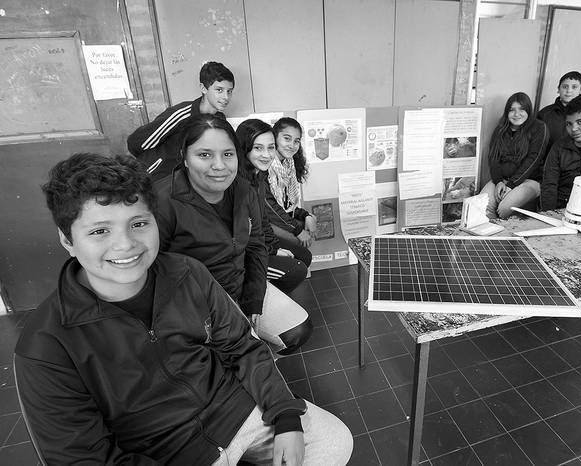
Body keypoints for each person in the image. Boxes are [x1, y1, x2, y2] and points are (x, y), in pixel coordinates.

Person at [14, 153, 352, 465]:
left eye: (139, 224)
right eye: (100, 231)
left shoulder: (187, 273)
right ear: (67, 240)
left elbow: (243, 347)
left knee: (335, 442)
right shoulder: (46, 344)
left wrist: (284, 415)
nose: (125, 244)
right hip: (165, 452)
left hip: (235, 410)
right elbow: (83, 458)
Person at [154, 114, 312, 356]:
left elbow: (257, 246)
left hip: (239, 285)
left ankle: (258, 360)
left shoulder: (244, 190)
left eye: (227, 154)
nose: (219, 165)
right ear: (185, 157)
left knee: (297, 331)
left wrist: (253, 300)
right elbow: (155, 274)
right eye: (204, 155)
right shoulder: (162, 202)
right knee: (232, 358)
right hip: (197, 304)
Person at [236, 118, 311, 293]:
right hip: (245, 253)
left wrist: (304, 215)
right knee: (297, 265)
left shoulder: (263, 174)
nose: (267, 154)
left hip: (263, 234)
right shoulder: (248, 179)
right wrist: (274, 249)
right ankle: (262, 297)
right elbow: (267, 215)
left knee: (303, 255)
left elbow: (276, 209)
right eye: (258, 148)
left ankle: (271, 295)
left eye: (270, 148)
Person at [128, 61, 234, 180]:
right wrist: (157, 165)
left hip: (184, 181)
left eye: (229, 91)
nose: (226, 97)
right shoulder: (182, 114)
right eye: (219, 90)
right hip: (156, 179)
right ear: (203, 88)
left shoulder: (220, 120)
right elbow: (136, 142)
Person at [480, 92, 549, 219]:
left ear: (528, 110)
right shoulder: (501, 129)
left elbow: (533, 159)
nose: (517, 114)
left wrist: (511, 184)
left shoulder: (539, 127)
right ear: (507, 112)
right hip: (503, 179)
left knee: (505, 207)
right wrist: (498, 181)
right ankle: (492, 235)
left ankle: (506, 236)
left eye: (521, 109)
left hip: (530, 180)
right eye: (512, 110)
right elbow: (493, 158)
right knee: (481, 207)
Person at [269, 117, 317, 249]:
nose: (292, 145)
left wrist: (305, 215)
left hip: (279, 219)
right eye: (287, 138)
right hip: (266, 224)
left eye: (296, 141)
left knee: (311, 219)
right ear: (274, 137)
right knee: (300, 245)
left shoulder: (288, 164)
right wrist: (298, 231)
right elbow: (270, 208)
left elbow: (287, 206)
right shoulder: (266, 165)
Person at [537, 71, 581, 150]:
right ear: (558, 89)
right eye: (565, 87)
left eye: (574, 87)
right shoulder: (544, 114)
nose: (569, 91)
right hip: (549, 161)